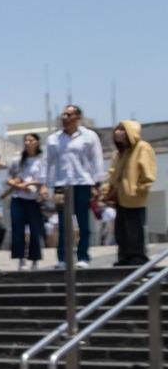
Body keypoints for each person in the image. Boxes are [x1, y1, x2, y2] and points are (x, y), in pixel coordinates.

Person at [46, 104, 107, 268]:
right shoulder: (54, 139)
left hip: (82, 184)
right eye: (63, 115)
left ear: (78, 117)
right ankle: (63, 258)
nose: (64, 118)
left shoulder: (89, 136)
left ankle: (83, 256)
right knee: (63, 223)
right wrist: (46, 186)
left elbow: (97, 160)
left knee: (83, 222)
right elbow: (48, 163)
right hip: (61, 185)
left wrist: (97, 183)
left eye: (69, 115)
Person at [106, 119, 157, 267]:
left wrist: (139, 189)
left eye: (122, 129)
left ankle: (138, 258)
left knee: (135, 230)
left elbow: (148, 172)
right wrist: (108, 190)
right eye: (117, 129)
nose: (117, 132)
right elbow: (114, 174)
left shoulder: (142, 147)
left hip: (134, 197)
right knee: (121, 230)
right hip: (121, 197)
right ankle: (124, 257)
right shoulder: (120, 152)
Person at [7, 134, 48, 270]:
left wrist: (31, 184)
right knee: (18, 229)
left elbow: (44, 180)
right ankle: (21, 259)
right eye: (25, 140)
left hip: (34, 199)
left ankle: (35, 259)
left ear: (37, 142)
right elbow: (9, 179)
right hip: (18, 198)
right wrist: (20, 186)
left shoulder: (42, 160)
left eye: (31, 140)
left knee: (35, 230)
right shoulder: (17, 160)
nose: (28, 143)